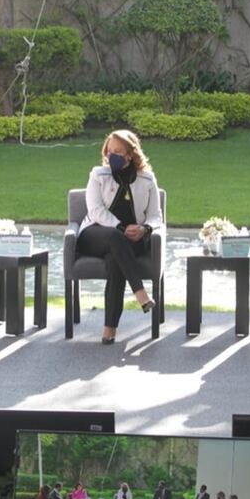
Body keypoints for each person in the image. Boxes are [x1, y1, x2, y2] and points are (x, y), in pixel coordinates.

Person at [78, 130, 162, 344]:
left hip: (132, 239)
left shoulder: (147, 179)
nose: (111, 154)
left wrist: (144, 230)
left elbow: (155, 216)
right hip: (95, 235)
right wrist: (121, 227)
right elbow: (95, 210)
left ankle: (109, 329)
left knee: (116, 258)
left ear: (130, 155)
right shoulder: (98, 174)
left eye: (118, 151)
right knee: (116, 238)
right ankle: (141, 293)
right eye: (109, 150)